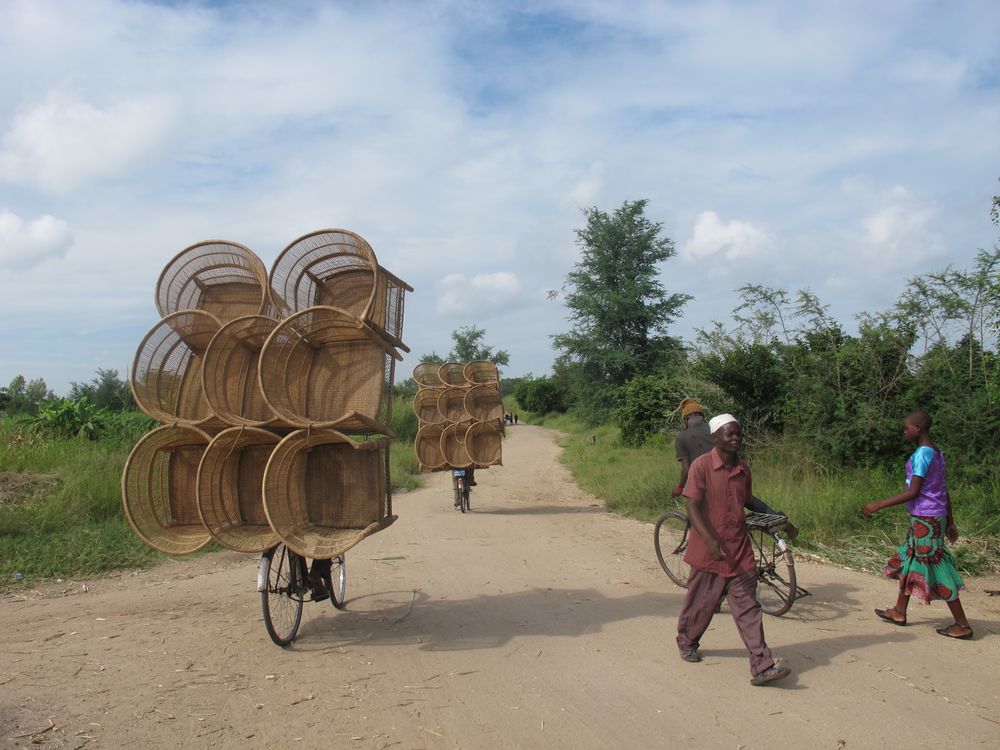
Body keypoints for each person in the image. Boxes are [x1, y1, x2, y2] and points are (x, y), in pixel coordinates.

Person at [676, 413, 791, 686]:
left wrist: (782, 520)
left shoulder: (744, 470)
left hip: (739, 550)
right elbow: (692, 506)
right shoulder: (702, 466)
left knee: (748, 607)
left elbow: (749, 501)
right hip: (709, 550)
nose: (735, 438)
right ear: (715, 437)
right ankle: (687, 640)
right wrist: (710, 540)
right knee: (702, 602)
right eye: (729, 434)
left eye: (738, 433)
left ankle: (762, 666)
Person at [861, 411, 972, 639]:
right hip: (931, 518)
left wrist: (878, 504)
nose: (905, 431)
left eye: (907, 427)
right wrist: (950, 521)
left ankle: (962, 624)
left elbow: (914, 492)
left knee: (937, 568)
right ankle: (899, 611)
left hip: (926, 519)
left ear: (918, 429)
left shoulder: (922, 454)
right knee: (910, 560)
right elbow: (943, 491)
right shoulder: (938, 453)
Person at [673, 397, 798, 539]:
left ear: (686, 419)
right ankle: (782, 521)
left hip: (708, 482)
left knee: (704, 513)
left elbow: (686, 470)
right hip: (734, 472)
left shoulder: (682, 438)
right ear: (701, 416)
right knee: (748, 500)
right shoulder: (716, 428)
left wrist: (678, 487)